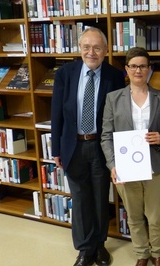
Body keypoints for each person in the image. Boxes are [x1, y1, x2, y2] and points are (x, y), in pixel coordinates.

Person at [51, 27, 125, 266]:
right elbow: (56, 115)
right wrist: (56, 150)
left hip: (102, 147)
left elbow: (119, 115)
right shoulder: (65, 74)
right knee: (81, 199)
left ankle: (100, 245)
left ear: (105, 50)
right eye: (86, 47)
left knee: (101, 198)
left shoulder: (115, 76)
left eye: (97, 48)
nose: (91, 52)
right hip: (74, 146)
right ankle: (84, 249)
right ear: (79, 49)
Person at [101, 47, 160, 266]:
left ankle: (158, 253)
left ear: (149, 69)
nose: (138, 70)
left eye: (143, 66)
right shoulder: (113, 99)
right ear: (126, 69)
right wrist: (113, 165)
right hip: (126, 168)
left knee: (156, 216)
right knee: (133, 216)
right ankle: (142, 254)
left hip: (158, 166)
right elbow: (106, 136)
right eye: (133, 66)